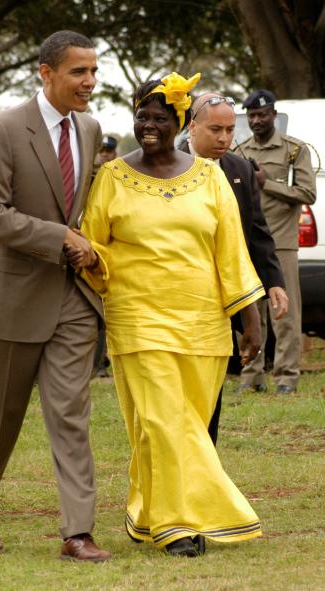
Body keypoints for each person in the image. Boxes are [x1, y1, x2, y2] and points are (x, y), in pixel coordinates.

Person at [73, 72, 265, 557]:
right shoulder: (113, 177)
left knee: (179, 426)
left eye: (160, 117)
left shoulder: (210, 175)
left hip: (203, 323)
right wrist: (89, 257)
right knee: (164, 422)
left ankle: (146, 511)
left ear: (179, 121)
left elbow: (231, 251)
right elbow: (93, 243)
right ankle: (180, 525)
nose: (149, 125)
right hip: (137, 318)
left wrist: (250, 318)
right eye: (142, 116)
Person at [0, 30, 110, 562]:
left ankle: (78, 531)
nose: (90, 83)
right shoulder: (0, 129)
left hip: (72, 297)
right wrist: (60, 238)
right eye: (78, 72)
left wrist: (89, 245)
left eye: (93, 71)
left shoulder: (90, 129)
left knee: (71, 413)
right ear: (45, 73)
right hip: (11, 298)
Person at [179, 92, 288, 442]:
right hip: (178, 292)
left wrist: (274, 281)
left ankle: (206, 459)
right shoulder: (167, 165)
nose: (225, 138)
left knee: (213, 385)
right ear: (191, 126)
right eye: (215, 130)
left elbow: (256, 231)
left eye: (229, 130)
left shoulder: (239, 169)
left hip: (222, 295)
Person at [235, 90, 316, 394]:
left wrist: (267, 183)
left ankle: (286, 377)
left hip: (281, 241)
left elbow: (308, 193)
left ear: (273, 115)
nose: (257, 120)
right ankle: (251, 376)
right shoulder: (240, 151)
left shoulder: (294, 150)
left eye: (262, 114)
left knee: (284, 314)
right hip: (247, 243)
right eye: (252, 116)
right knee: (250, 310)